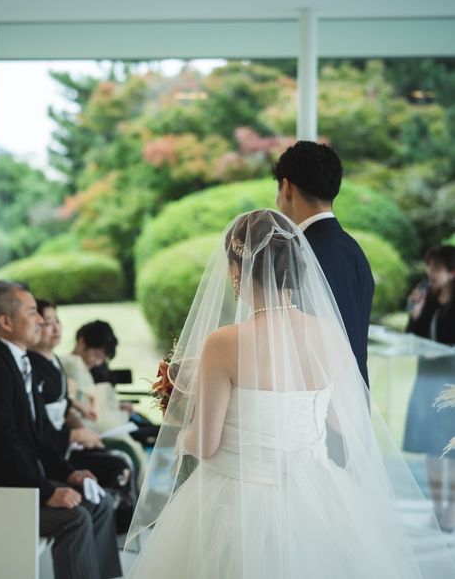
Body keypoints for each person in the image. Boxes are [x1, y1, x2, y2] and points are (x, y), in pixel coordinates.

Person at [124, 210, 455, 578]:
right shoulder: (329, 334)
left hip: (233, 498)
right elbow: (342, 422)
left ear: (236, 271)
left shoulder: (223, 343)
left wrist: (181, 427)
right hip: (315, 494)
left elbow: (205, 444)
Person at [0, 281, 122, 579]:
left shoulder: (19, 363)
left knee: (99, 501)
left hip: (16, 482)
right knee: (75, 518)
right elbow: (4, 449)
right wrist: (47, 492)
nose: (40, 320)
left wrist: (69, 473)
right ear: (6, 322)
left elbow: (38, 436)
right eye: (32, 312)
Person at [274, 140, 374, 386]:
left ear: (286, 187)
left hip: (313, 401)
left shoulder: (296, 253)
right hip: (354, 398)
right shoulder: (354, 251)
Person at [28, 298, 131, 490]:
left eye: (57, 321)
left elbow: (65, 408)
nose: (56, 328)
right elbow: (40, 426)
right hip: (51, 453)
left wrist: (83, 431)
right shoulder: (34, 367)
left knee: (119, 463)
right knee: (118, 465)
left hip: (62, 446)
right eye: (47, 323)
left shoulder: (54, 362)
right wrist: (75, 435)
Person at [403, 245, 455, 532]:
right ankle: (436, 508)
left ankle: (452, 510)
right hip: (427, 382)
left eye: (436, 268)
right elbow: (412, 337)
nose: (430, 273)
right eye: (429, 267)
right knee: (431, 449)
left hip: (451, 385)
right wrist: (416, 312)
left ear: (452, 272)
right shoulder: (430, 299)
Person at [60, 321, 147, 481]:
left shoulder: (81, 367)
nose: (98, 362)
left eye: (101, 358)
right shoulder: (73, 364)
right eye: (96, 355)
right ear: (81, 342)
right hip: (86, 429)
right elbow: (73, 403)